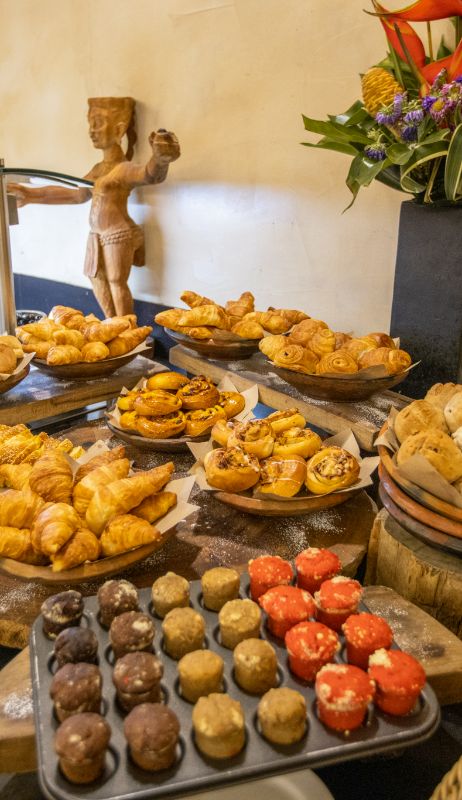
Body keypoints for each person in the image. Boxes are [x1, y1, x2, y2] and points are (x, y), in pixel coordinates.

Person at [8, 97, 180, 317]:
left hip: (117, 233)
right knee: (96, 277)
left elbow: (149, 174)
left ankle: (128, 329)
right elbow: (76, 194)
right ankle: (111, 324)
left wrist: (160, 159)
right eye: (90, 123)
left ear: (119, 129)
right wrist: (31, 194)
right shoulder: (99, 169)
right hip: (97, 235)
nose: (92, 131)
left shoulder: (123, 168)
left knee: (116, 282)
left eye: (98, 123)